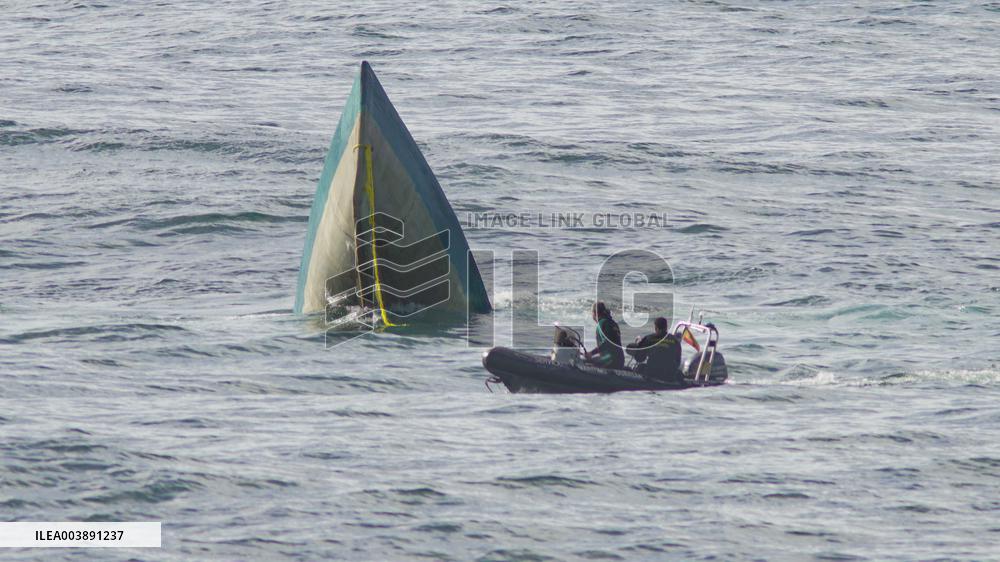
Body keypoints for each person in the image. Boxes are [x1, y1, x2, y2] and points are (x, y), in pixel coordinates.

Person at [626, 317, 683, 383]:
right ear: (666, 327)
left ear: (656, 328)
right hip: (669, 376)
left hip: (652, 374)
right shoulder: (675, 341)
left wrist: (640, 346)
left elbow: (640, 358)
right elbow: (678, 361)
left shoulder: (648, 338)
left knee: (640, 367)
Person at [584, 301, 624, 369]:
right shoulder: (613, 323)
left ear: (595, 313)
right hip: (620, 359)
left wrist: (591, 353)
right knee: (591, 360)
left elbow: (607, 343)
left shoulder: (602, 323)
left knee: (585, 362)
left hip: (610, 360)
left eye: (592, 313)